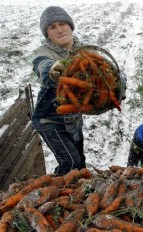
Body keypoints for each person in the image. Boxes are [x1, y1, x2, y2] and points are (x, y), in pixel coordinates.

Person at [31, 6, 86, 176]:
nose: (59, 30)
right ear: (47, 34)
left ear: (70, 26)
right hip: (49, 120)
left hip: (73, 118)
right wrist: (51, 69)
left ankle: (79, 196)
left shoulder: (84, 51)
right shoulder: (44, 53)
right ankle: (54, 192)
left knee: (80, 164)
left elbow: (105, 73)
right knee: (70, 162)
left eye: (62, 24)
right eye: (52, 27)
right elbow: (41, 66)